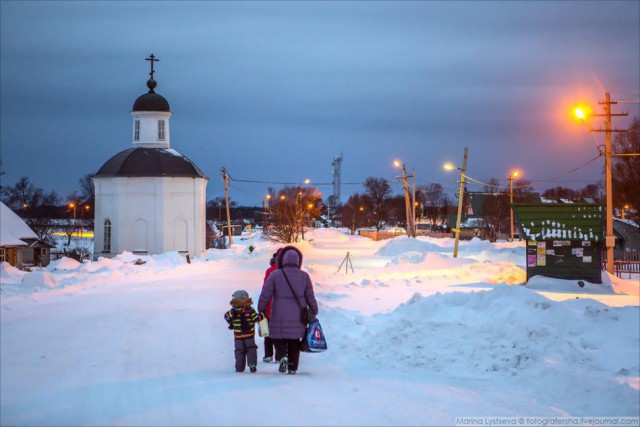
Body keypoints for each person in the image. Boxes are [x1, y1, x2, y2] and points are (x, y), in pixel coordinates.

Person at [258, 246, 318, 375]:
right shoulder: (304, 276)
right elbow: (310, 296)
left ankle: (282, 356)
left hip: (278, 313)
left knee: (276, 336)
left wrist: (261, 308)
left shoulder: (275, 275)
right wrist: (314, 309)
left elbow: (265, 294)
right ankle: (292, 367)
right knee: (294, 340)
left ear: (281, 260)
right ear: (298, 261)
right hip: (298, 314)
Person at [224, 289, 264, 373]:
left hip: (238, 336)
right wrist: (261, 315)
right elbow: (256, 318)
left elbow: (226, 316)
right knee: (251, 349)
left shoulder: (232, 311)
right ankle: (252, 364)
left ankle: (239, 367)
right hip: (249, 335)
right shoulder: (250, 310)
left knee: (239, 351)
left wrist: (231, 322)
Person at [261, 248, 282, 362]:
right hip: (284, 307)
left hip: (270, 305)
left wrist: (263, 305)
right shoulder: (289, 270)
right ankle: (280, 355)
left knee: (268, 331)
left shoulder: (270, 270)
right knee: (280, 332)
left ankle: (268, 354)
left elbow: (265, 289)